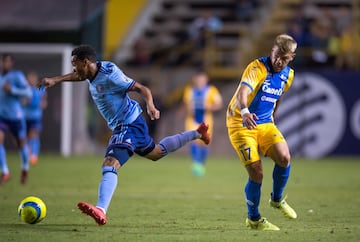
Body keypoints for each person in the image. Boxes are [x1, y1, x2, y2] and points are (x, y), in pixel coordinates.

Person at [38, 45, 211, 225]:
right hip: (130, 123)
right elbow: (78, 76)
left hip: (127, 124)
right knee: (157, 152)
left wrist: (150, 106)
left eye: (75, 64)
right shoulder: (89, 73)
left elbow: (142, 88)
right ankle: (197, 134)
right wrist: (55, 80)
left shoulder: (111, 75)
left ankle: (101, 209)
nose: (74, 68)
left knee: (110, 164)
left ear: (86, 62)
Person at [226, 34, 298, 231]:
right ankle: (254, 219)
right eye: (276, 55)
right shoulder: (257, 67)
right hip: (240, 122)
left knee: (284, 157)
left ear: (291, 57)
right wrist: (246, 111)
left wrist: (273, 116)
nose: (278, 61)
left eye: (284, 58)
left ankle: (276, 200)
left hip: (265, 123)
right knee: (257, 172)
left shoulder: (288, 75)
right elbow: (243, 92)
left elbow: (278, 97)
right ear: (272, 50)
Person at [182, 70, 222, 176]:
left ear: (206, 79)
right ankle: (196, 164)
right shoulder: (189, 90)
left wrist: (209, 107)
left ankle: (201, 164)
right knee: (193, 140)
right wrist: (188, 108)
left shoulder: (212, 90)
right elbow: (186, 104)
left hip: (206, 121)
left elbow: (219, 104)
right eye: (198, 79)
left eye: (202, 79)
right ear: (194, 79)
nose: (200, 81)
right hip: (192, 120)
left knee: (204, 143)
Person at [0, 54, 32, 185]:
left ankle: (25, 167)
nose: (4, 64)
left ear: (11, 63)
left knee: (21, 145)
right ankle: (5, 171)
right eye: (3, 61)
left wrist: (12, 90)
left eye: (7, 61)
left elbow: (28, 93)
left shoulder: (17, 76)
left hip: (15, 116)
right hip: (1, 116)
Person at [23, 71, 47, 165]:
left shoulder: (40, 89)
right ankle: (27, 154)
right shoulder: (24, 90)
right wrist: (25, 102)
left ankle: (34, 155)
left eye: (33, 78)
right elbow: (21, 101)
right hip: (25, 116)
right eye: (30, 78)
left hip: (35, 117)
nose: (32, 80)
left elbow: (44, 102)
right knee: (25, 137)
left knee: (34, 135)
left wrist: (41, 104)